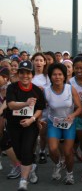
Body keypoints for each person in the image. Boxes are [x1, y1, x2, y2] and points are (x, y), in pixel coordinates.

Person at [6, 60, 46, 190]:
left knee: (26, 150)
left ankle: (23, 181)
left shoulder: (36, 90)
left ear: (32, 75)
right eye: (22, 73)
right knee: (19, 153)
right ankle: (31, 167)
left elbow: (40, 108)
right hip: (14, 125)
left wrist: (32, 119)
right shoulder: (12, 87)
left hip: (30, 125)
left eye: (28, 73)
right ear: (18, 74)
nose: (25, 76)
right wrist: (26, 103)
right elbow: (11, 105)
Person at [44, 63, 82, 185]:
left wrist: (73, 115)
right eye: (54, 74)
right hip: (53, 122)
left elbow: (79, 108)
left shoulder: (70, 89)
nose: (57, 77)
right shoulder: (46, 91)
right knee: (53, 148)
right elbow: (41, 107)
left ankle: (69, 174)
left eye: (60, 74)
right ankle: (58, 164)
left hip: (69, 123)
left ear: (64, 76)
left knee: (67, 151)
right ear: (50, 77)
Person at [31, 53, 51, 164]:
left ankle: (42, 151)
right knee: (33, 134)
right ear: (33, 61)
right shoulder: (30, 75)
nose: (38, 62)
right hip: (32, 109)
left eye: (41, 60)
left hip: (45, 109)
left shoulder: (48, 76)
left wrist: (43, 89)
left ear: (44, 62)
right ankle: (32, 153)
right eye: (36, 60)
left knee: (43, 133)